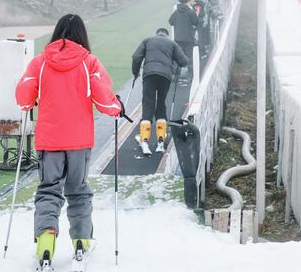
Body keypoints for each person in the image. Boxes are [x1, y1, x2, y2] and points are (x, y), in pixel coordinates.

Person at [15, 14, 123, 271]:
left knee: (49, 191)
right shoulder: (89, 62)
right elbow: (105, 100)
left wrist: (30, 103)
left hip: (48, 141)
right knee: (78, 191)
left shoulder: (40, 62)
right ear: (82, 34)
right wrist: (117, 108)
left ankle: (44, 246)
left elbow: (23, 97)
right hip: (79, 141)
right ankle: (81, 243)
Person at [132, 28, 188, 156]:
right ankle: (160, 141)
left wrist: (135, 72)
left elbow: (136, 57)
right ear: (167, 35)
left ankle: (145, 139)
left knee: (148, 104)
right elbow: (184, 61)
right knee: (161, 105)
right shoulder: (172, 43)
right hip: (165, 76)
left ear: (157, 33)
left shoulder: (147, 40)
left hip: (149, 75)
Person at [169, 0, 200, 80]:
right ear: (188, 1)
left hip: (178, 38)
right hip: (189, 38)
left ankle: (175, 75)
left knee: (177, 57)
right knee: (189, 57)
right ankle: (190, 75)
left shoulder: (176, 11)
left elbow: (171, 22)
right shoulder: (190, 11)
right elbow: (196, 22)